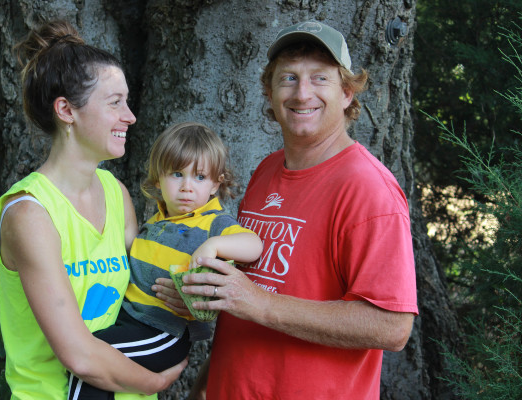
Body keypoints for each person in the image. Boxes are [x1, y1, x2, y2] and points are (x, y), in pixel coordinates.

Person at [159, 20, 419, 399]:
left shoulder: (367, 188)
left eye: (320, 79)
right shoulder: (267, 170)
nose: (302, 93)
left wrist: (260, 303)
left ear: (347, 92)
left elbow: (392, 326)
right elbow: (242, 300)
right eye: (288, 79)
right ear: (269, 91)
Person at [0, 20, 187, 400]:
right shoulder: (30, 214)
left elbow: (141, 292)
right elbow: (78, 355)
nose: (130, 116)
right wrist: (156, 382)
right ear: (67, 110)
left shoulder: (116, 194)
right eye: (115, 103)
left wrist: (181, 290)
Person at [68, 121, 264, 399]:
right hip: (131, 321)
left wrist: (214, 244)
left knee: (88, 356)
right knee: (93, 364)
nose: (186, 187)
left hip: (164, 331)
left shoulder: (214, 222)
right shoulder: (158, 221)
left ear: (215, 185)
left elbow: (254, 245)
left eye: (199, 177)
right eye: (176, 174)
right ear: (159, 179)